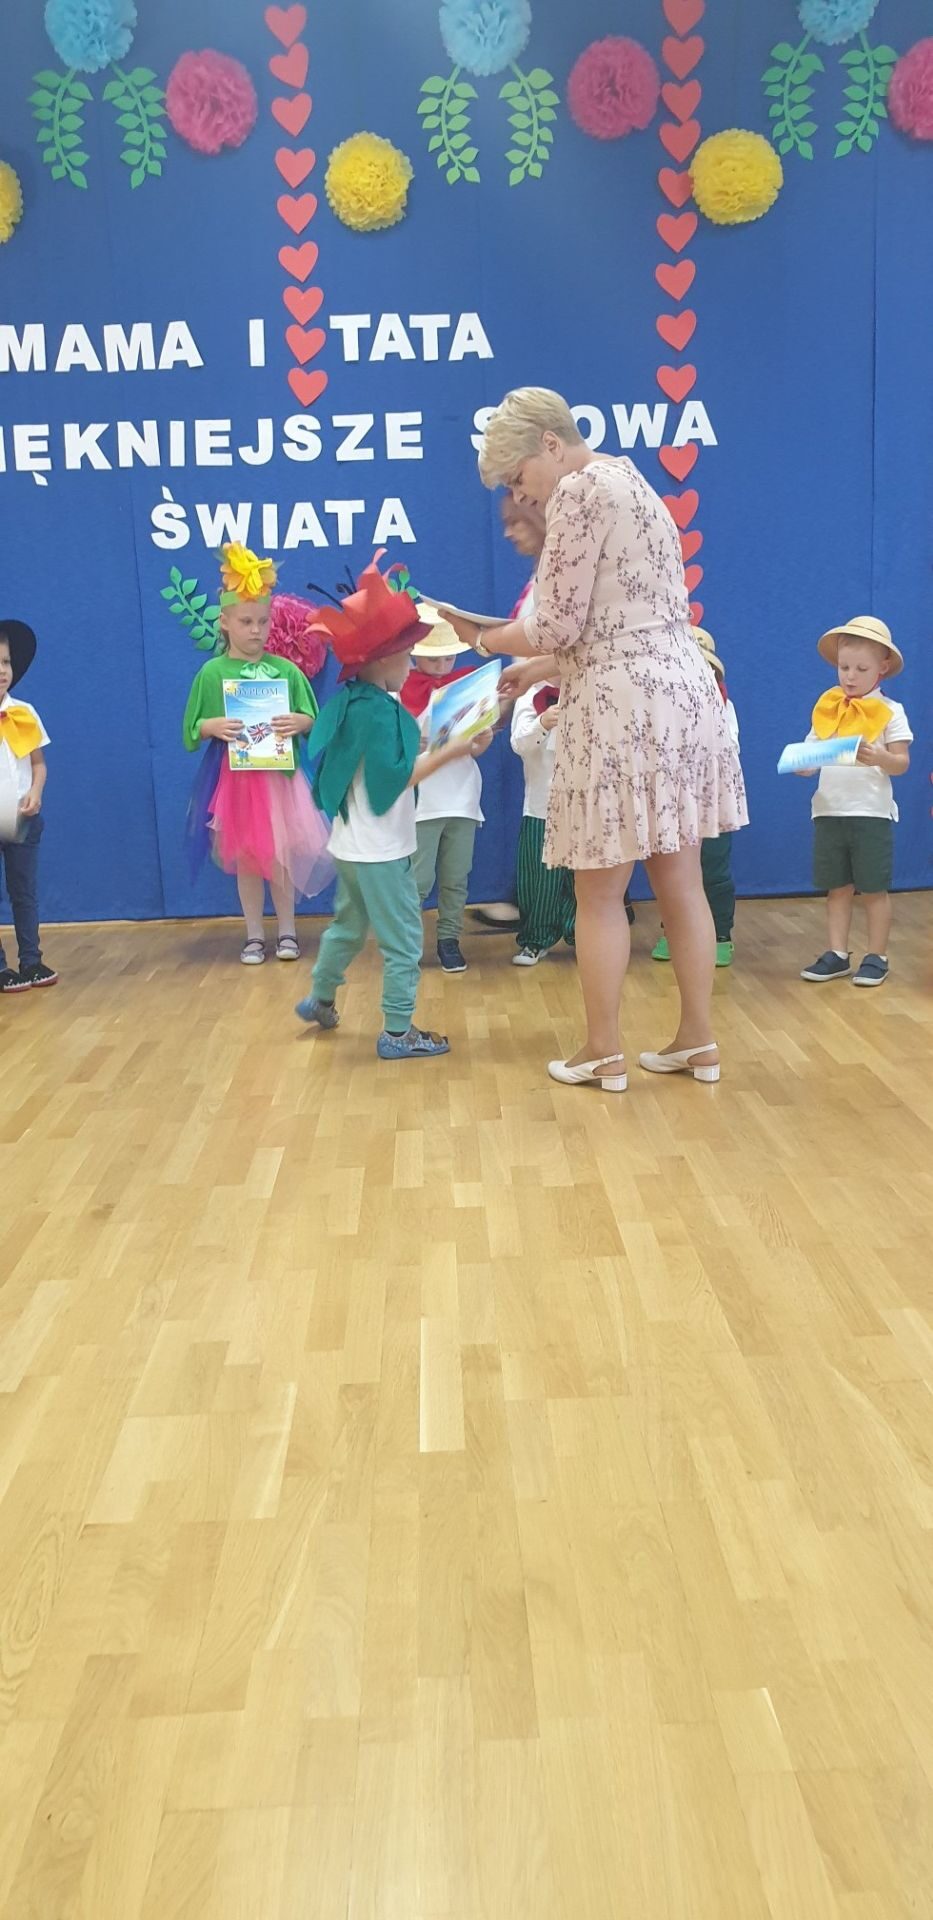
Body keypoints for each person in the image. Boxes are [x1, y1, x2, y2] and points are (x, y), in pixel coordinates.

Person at [446, 387, 747, 1092]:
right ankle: (697, 1041)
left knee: (600, 894)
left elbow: (556, 623)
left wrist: (482, 637)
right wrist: (541, 668)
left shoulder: (577, 492)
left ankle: (602, 1051)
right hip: (681, 695)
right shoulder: (633, 481)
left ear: (551, 444)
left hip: (619, 711)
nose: (523, 496)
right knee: (681, 883)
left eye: (520, 477)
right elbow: (623, 621)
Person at [295, 554, 491, 1060]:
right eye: (407, 656)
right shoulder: (382, 712)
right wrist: (453, 749)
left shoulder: (350, 702)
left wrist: (443, 743)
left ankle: (320, 998)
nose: (410, 664)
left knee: (346, 927)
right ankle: (398, 1032)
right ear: (383, 661)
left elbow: (364, 762)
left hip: (349, 847)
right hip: (382, 851)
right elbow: (398, 778)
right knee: (404, 939)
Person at [183, 544, 331, 964]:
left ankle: (287, 932)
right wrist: (211, 726)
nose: (256, 631)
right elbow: (191, 729)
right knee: (249, 860)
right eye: (246, 622)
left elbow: (313, 719)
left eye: (263, 621)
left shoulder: (286, 671)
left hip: (281, 783)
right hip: (237, 785)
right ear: (225, 622)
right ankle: (253, 935)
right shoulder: (212, 673)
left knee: (281, 857)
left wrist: (300, 722)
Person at [797, 615, 910, 988]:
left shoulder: (891, 711)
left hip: (871, 813)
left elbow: (902, 763)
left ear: (883, 667)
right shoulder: (828, 708)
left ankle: (877, 955)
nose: (850, 676)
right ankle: (837, 953)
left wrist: (882, 757)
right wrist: (802, 765)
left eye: (861, 669)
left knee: (873, 888)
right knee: (837, 887)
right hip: (829, 810)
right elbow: (808, 758)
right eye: (844, 667)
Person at [400, 607, 483, 974]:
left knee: (456, 876)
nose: (442, 665)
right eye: (434, 657)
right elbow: (388, 746)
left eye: (448, 657)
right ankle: (407, 944)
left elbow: (477, 747)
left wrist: (479, 739)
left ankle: (449, 939)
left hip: (462, 796)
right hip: (422, 800)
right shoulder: (400, 691)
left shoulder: (467, 688)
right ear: (415, 654)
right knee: (418, 879)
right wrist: (411, 743)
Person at [653, 627, 739, 968]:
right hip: (673, 804)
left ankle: (720, 935)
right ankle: (672, 931)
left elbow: (726, 748)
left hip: (710, 803)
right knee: (673, 874)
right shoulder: (659, 707)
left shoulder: (724, 708)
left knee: (713, 870)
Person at [0, 619, 57, 992]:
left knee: (24, 891)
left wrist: (36, 792)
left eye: (5, 662)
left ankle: (31, 960)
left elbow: (38, 764)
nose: (1, 671)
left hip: (22, 818)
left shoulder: (24, 712)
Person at [509, 678, 576, 964]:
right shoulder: (531, 695)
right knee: (538, 878)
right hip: (542, 804)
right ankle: (535, 938)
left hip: (585, 805)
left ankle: (585, 936)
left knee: (584, 879)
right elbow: (518, 743)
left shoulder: (592, 685)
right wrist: (542, 724)